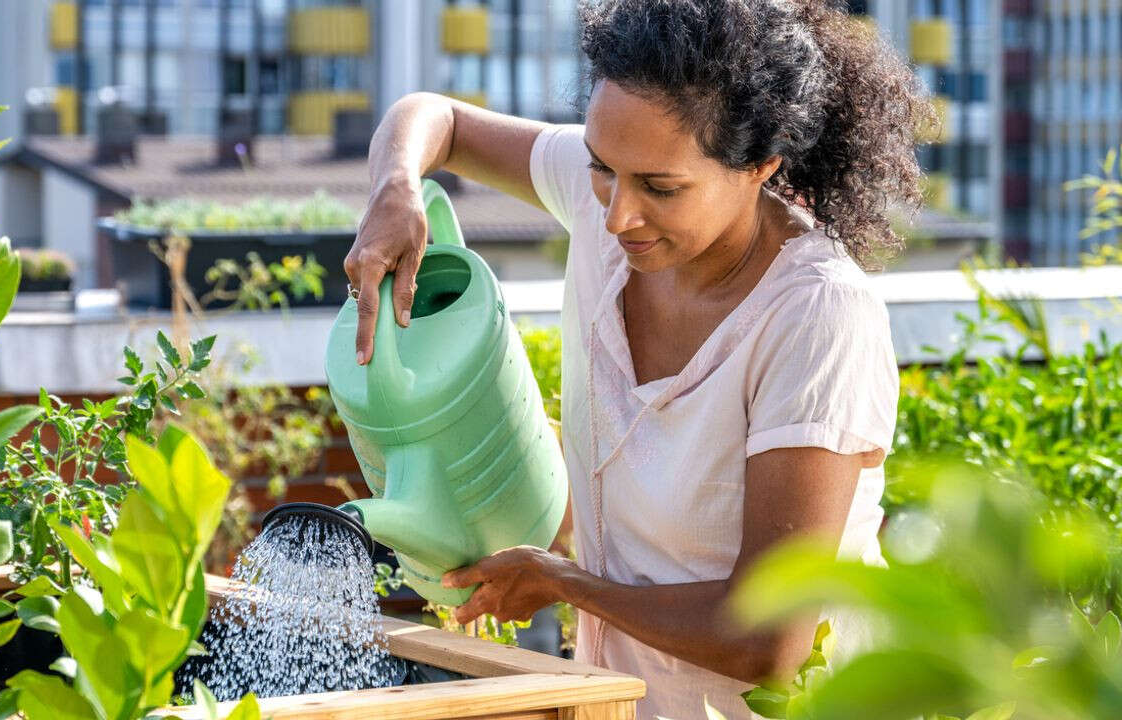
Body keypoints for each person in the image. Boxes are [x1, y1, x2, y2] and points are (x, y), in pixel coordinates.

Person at [344, 1, 927, 717]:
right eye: (600, 168)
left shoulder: (815, 315)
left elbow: (770, 638)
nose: (617, 214)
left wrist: (565, 583)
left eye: (661, 188)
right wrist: (393, 187)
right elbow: (435, 119)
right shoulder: (618, 197)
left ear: (761, 166)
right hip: (618, 699)